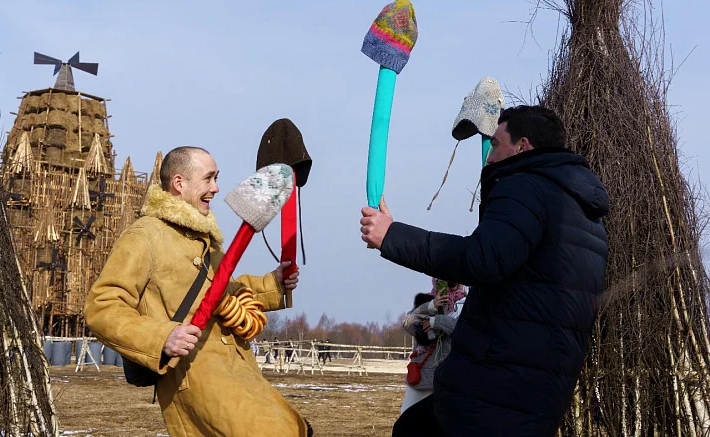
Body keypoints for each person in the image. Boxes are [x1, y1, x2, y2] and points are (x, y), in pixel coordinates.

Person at [360, 106, 609, 436]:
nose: (490, 157)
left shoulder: (525, 186)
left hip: (497, 381)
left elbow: (484, 259)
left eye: (495, 144)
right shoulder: (583, 211)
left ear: (522, 146)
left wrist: (391, 236)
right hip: (541, 385)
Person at [85, 146, 312, 437]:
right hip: (195, 379)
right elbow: (102, 306)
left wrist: (273, 283)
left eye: (216, 178)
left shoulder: (204, 239)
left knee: (291, 428)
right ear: (179, 183)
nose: (216, 188)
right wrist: (162, 337)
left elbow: (223, 291)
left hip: (238, 370)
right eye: (208, 178)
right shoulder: (145, 236)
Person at [393, 282, 466, 437]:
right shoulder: (426, 301)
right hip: (421, 377)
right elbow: (407, 324)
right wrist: (431, 306)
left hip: (448, 379)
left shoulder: (466, 304)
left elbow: (463, 330)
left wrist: (436, 321)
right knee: (406, 422)